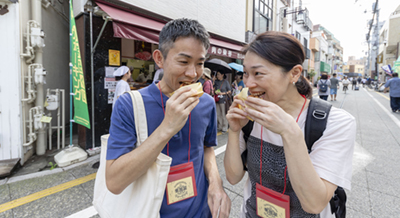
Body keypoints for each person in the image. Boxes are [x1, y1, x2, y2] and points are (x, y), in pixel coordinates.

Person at [106, 18, 231, 218]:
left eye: (199, 63)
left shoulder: (206, 103)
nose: (193, 73)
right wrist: (167, 127)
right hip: (151, 212)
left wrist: (216, 185)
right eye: (183, 62)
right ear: (159, 59)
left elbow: (207, 148)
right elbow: (114, 182)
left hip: (202, 211)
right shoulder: (129, 104)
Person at [224, 31, 356, 217]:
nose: (248, 84)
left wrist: (289, 131)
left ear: (294, 74)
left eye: (258, 73)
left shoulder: (335, 123)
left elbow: (314, 204)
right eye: (245, 73)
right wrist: (234, 129)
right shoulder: (249, 117)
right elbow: (233, 177)